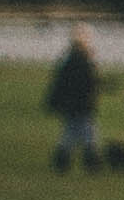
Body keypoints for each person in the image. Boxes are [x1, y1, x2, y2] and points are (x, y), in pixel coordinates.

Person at [44, 26, 102, 172]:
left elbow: (60, 82)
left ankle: (63, 160)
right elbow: (88, 82)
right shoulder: (83, 60)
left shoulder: (68, 58)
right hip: (81, 103)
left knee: (70, 131)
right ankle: (90, 162)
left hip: (70, 103)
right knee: (87, 131)